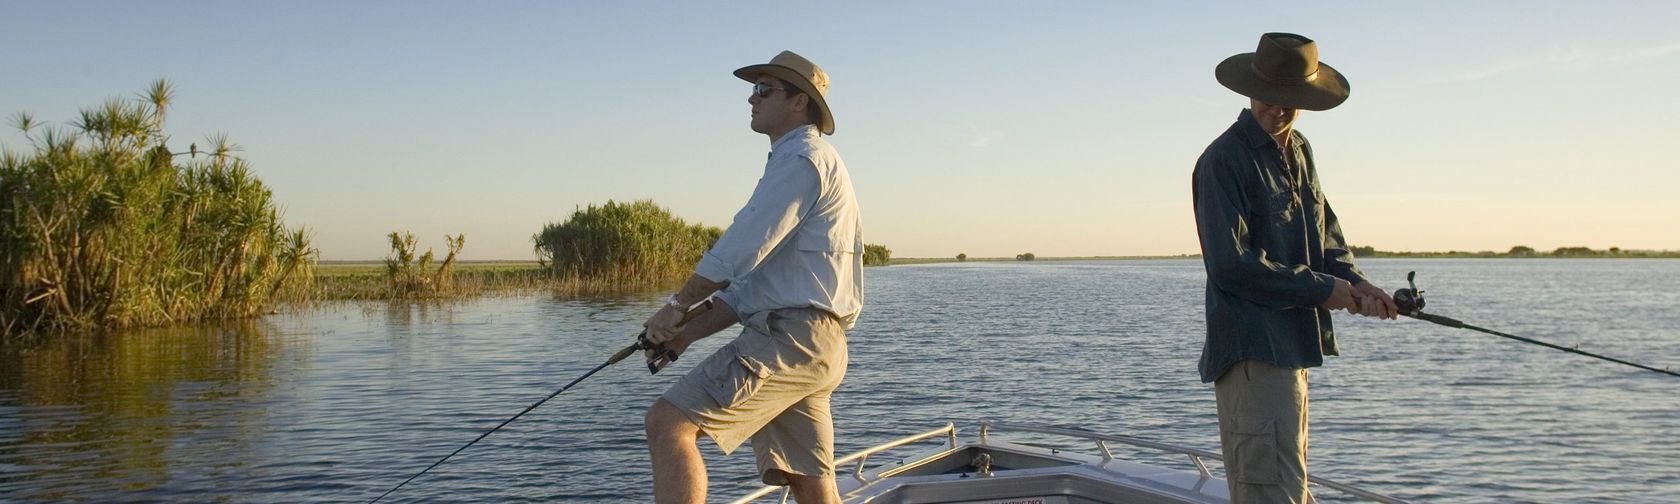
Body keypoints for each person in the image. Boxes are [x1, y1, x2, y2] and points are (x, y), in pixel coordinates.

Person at [640, 50, 862, 504]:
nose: (752, 99)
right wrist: (684, 335)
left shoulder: (801, 157)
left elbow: (740, 248)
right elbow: (751, 291)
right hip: (815, 346)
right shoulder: (805, 160)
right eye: (752, 90)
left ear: (800, 102)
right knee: (807, 478)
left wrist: (677, 307)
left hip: (789, 338)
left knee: (668, 424)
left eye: (764, 90)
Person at [1191, 33, 1399, 503]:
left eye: (1291, 101)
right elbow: (1231, 266)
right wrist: (1325, 291)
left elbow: (1326, 236)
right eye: (1271, 98)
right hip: (1251, 352)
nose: (1279, 111)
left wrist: (1360, 286)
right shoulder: (1222, 160)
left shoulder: (1299, 149)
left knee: (1292, 488)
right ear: (1250, 90)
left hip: (1293, 352)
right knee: (1270, 493)